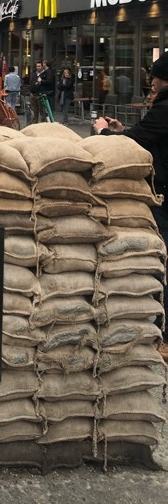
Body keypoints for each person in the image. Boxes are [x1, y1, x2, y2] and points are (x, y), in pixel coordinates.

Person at [93, 53, 168, 361]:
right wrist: (121, 131)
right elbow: (143, 138)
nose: (152, 85)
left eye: (155, 80)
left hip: (163, 195)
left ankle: (160, 332)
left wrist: (102, 133)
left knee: (158, 262)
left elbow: (136, 143)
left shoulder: (164, 110)